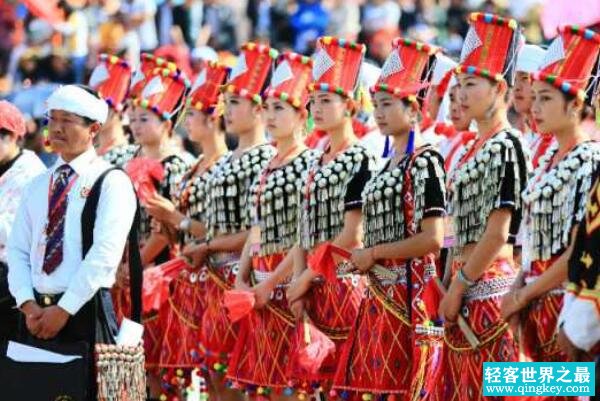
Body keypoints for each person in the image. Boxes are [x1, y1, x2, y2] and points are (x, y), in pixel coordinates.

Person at [332, 38, 447, 401]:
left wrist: (374, 253)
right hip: (380, 293)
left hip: (410, 295)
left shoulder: (425, 160)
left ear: (414, 109)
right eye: (376, 105)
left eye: (388, 104)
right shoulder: (386, 165)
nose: (379, 113)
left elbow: (432, 238)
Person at [7, 84, 137, 400]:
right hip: (36, 312)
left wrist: (63, 310)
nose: (57, 128)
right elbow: (18, 249)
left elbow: (104, 254)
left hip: (84, 309)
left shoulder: (111, 181)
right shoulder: (38, 185)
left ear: (94, 129)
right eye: (53, 119)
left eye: (68, 120)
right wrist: (26, 302)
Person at [437, 13, 528, 401]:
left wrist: (459, 285)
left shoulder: (507, 145)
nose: (460, 94)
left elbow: (498, 231)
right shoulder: (469, 148)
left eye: (471, 84)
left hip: (487, 288)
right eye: (458, 85)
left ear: (499, 88)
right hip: (464, 286)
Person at [500, 26, 600, 375]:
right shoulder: (547, 159)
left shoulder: (589, 161)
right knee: (510, 386)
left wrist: (523, 295)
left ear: (574, 104)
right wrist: (518, 291)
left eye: (546, 98)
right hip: (534, 306)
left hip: (568, 311)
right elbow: (531, 242)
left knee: (560, 390)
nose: (536, 107)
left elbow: (578, 251)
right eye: (536, 96)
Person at [184, 42, 277, 401]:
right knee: (216, 376)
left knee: (245, 378)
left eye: (237, 102)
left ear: (259, 110)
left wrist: (206, 244)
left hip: (242, 275)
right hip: (213, 276)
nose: (228, 109)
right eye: (229, 101)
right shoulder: (225, 160)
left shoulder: (264, 158)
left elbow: (254, 232)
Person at [285, 36, 377, 397]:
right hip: (311, 283)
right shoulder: (314, 156)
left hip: (342, 283)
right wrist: (297, 279)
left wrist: (306, 276)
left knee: (345, 382)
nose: (316, 108)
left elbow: (353, 233)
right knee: (315, 384)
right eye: (313, 101)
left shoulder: (360, 158)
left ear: (350, 106)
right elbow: (302, 227)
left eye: (326, 100)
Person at [227, 51, 319, 399]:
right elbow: (257, 227)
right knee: (258, 387)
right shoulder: (269, 162)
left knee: (289, 387)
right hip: (259, 285)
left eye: (280, 108)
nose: (270, 116)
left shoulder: (308, 163)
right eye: (267, 108)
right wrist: (242, 275)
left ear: (302, 115)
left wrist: (273, 283)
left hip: (285, 283)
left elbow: (303, 236)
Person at [145, 60, 231, 401]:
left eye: (193, 115)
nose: (187, 123)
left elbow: (227, 230)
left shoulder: (224, 165)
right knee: (185, 376)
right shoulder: (196, 165)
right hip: (188, 282)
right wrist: (167, 226)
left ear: (213, 120)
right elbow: (184, 230)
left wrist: (176, 218)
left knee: (217, 377)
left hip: (215, 278)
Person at [121, 66, 192, 399]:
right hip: (131, 269)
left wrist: (134, 266)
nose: (136, 125)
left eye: (145, 118)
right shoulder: (130, 161)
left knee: (162, 364)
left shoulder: (176, 164)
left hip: (160, 273)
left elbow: (164, 230)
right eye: (133, 118)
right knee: (136, 362)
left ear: (166, 123)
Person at [0, 100, 46, 341]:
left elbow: (15, 230)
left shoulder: (31, 173)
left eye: (2, 134)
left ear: (17, 137)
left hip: (14, 278)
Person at [87, 53, 138, 167]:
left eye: (101, 105)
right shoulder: (87, 152)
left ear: (119, 110)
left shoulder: (130, 156)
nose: (92, 112)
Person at [513, 43, 552, 169]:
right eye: (514, 79)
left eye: (524, 78)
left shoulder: (553, 141)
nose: (517, 87)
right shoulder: (525, 138)